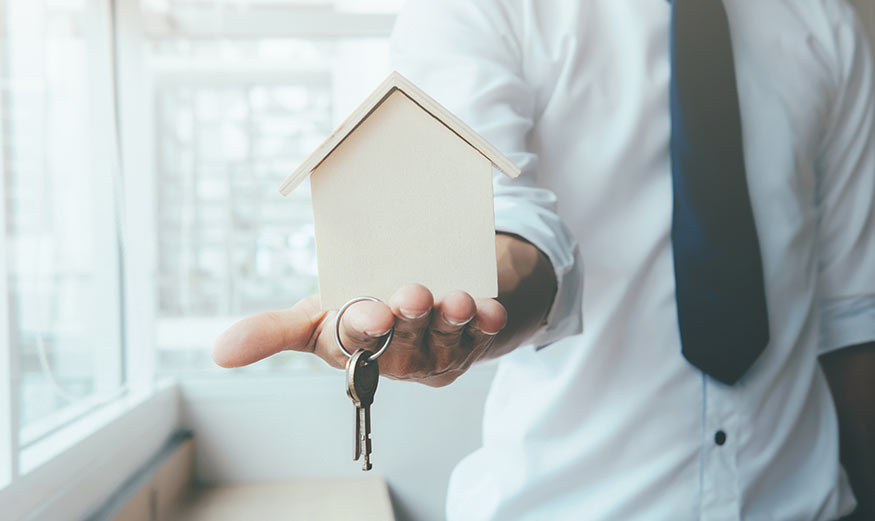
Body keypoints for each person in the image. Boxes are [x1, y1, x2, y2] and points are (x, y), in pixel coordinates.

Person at [213, 0, 875, 519]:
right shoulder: (483, 6)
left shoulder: (826, 24)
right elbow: (503, 219)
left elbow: (852, 321)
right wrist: (472, 302)